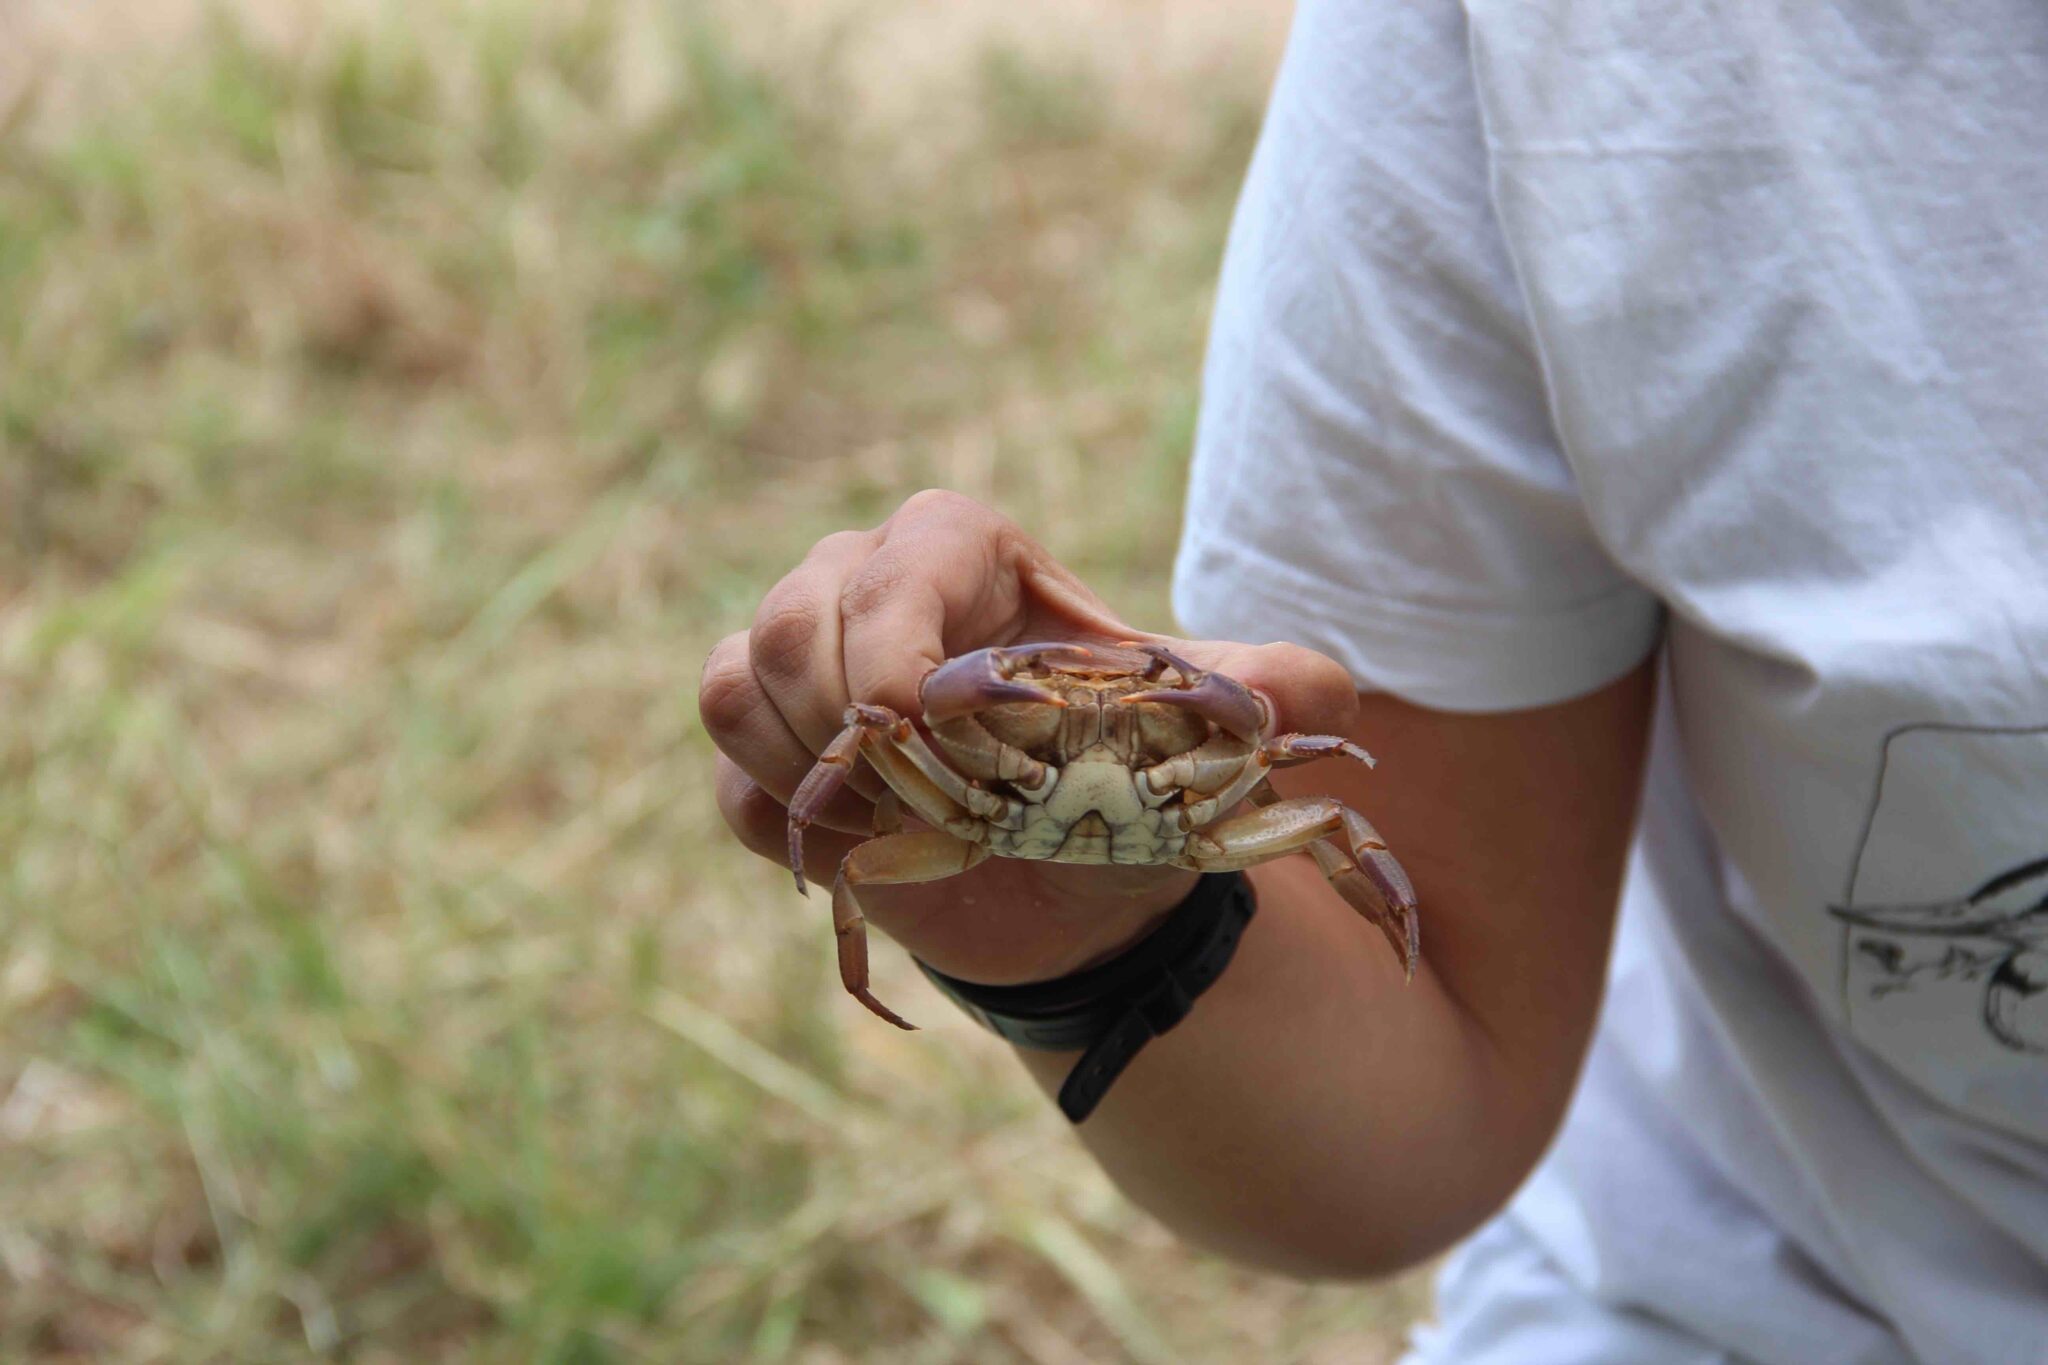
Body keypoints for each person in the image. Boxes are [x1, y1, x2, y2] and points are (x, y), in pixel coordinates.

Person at [701, 1, 2048, 1358]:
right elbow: (1414, 1031)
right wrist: (1063, 935)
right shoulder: (1553, 52)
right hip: (1795, 1293)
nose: (1107, 711)